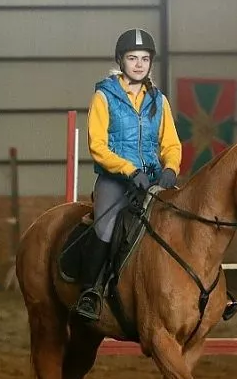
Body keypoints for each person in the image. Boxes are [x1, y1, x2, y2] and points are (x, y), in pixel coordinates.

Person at [74, 28, 182, 321]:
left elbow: (170, 143)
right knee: (106, 227)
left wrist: (171, 167)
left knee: (183, 222)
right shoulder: (104, 96)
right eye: (132, 58)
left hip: (153, 180)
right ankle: (91, 292)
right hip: (116, 180)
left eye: (144, 59)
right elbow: (97, 145)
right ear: (121, 61)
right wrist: (128, 169)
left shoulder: (159, 101)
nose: (138, 64)